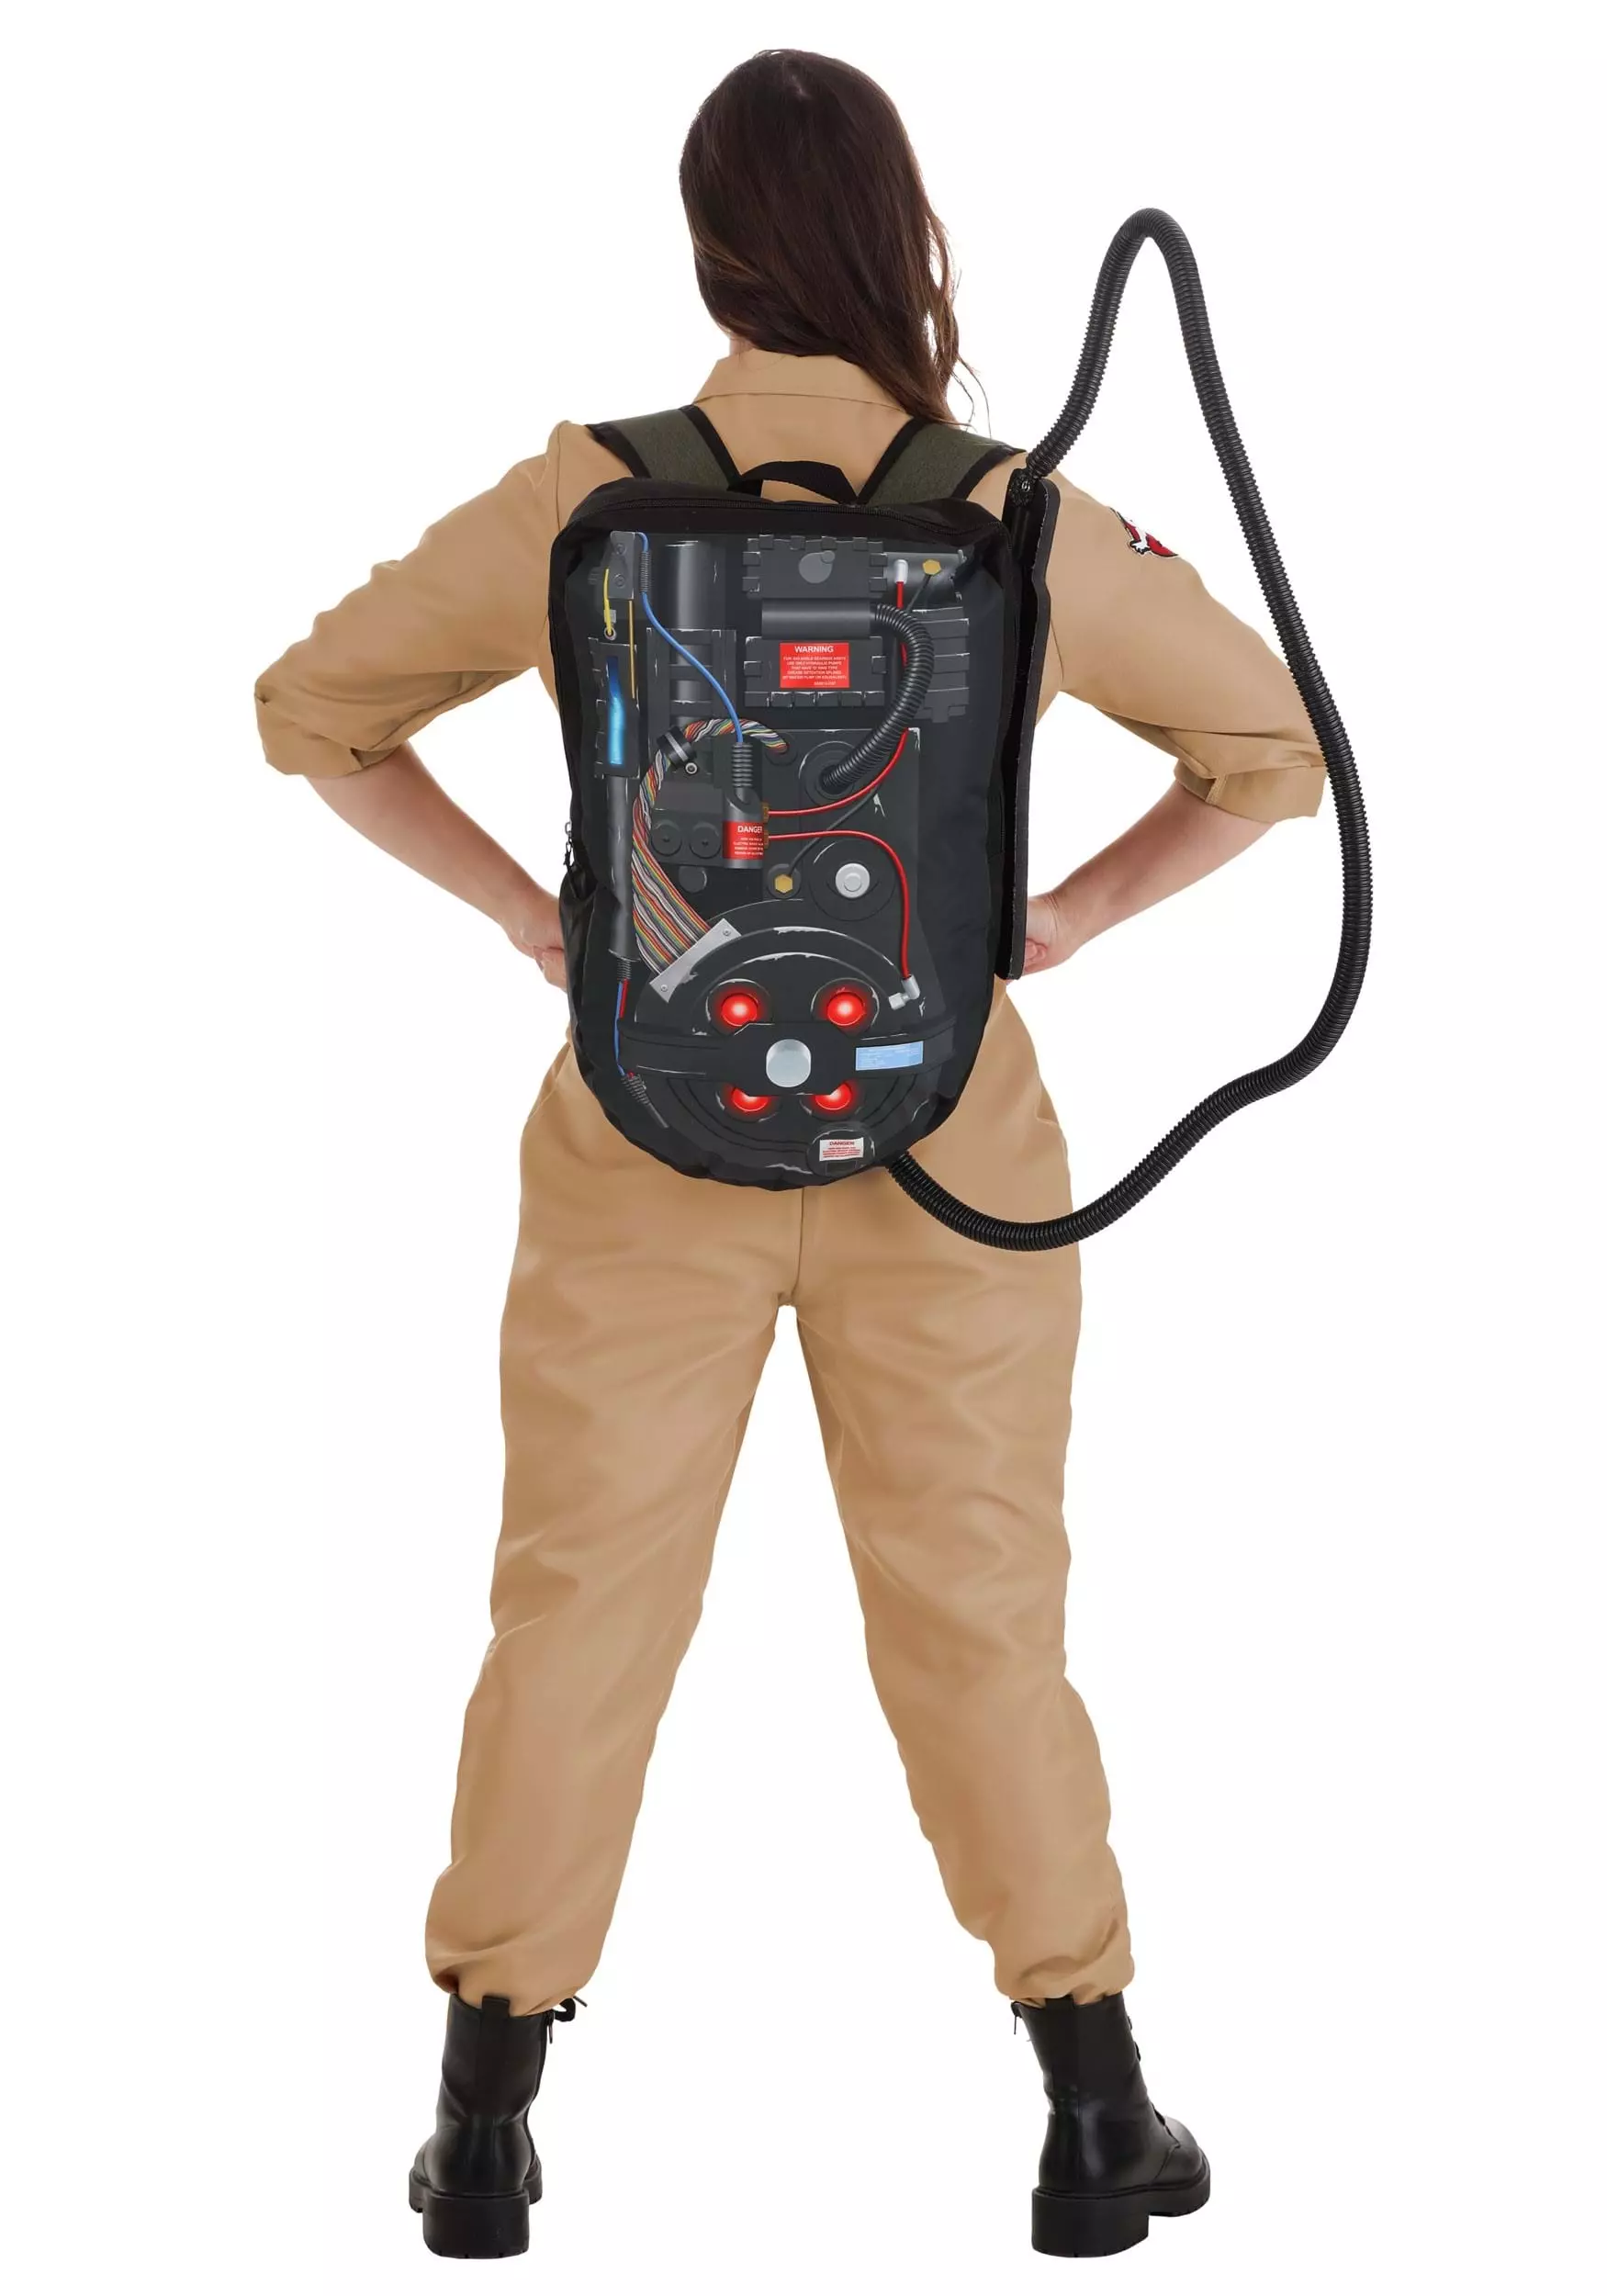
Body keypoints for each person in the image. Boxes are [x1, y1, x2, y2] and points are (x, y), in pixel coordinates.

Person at [254, 50, 1323, 2264]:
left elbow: (312, 706)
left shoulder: (589, 491)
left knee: (576, 1606)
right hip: (952, 1140)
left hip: (640, 1128)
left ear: (707, 246)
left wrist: (538, 919)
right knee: (979, 1616)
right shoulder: (1013, 511)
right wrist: (1063, 918)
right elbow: (1272, 747)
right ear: (901, 239)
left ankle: (480, 2129)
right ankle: (1092, 2111)